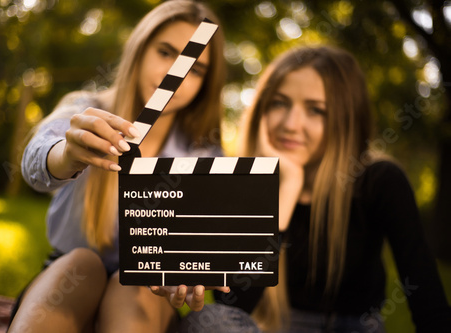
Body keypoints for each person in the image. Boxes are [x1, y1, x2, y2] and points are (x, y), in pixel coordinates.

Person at [181, 46, 451, 332]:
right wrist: (286, 186)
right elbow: (231, 310)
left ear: (344, 119)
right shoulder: (239, 184)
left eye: (316, 110)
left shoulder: (380, 180)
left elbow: (427, 299)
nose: (291, 124)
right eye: (279, 103)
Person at [9, 1, 229, 332]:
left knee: (138, 279)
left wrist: (191, 268)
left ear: (206, 83)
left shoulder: (204, 152)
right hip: (68, 282)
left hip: (149, 293)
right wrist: (66, 154)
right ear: (139, 49)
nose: (176, 73)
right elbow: (35, 162)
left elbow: (212, 239)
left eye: (194, 69)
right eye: (166, 52)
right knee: (82, 265)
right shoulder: (85, 110)